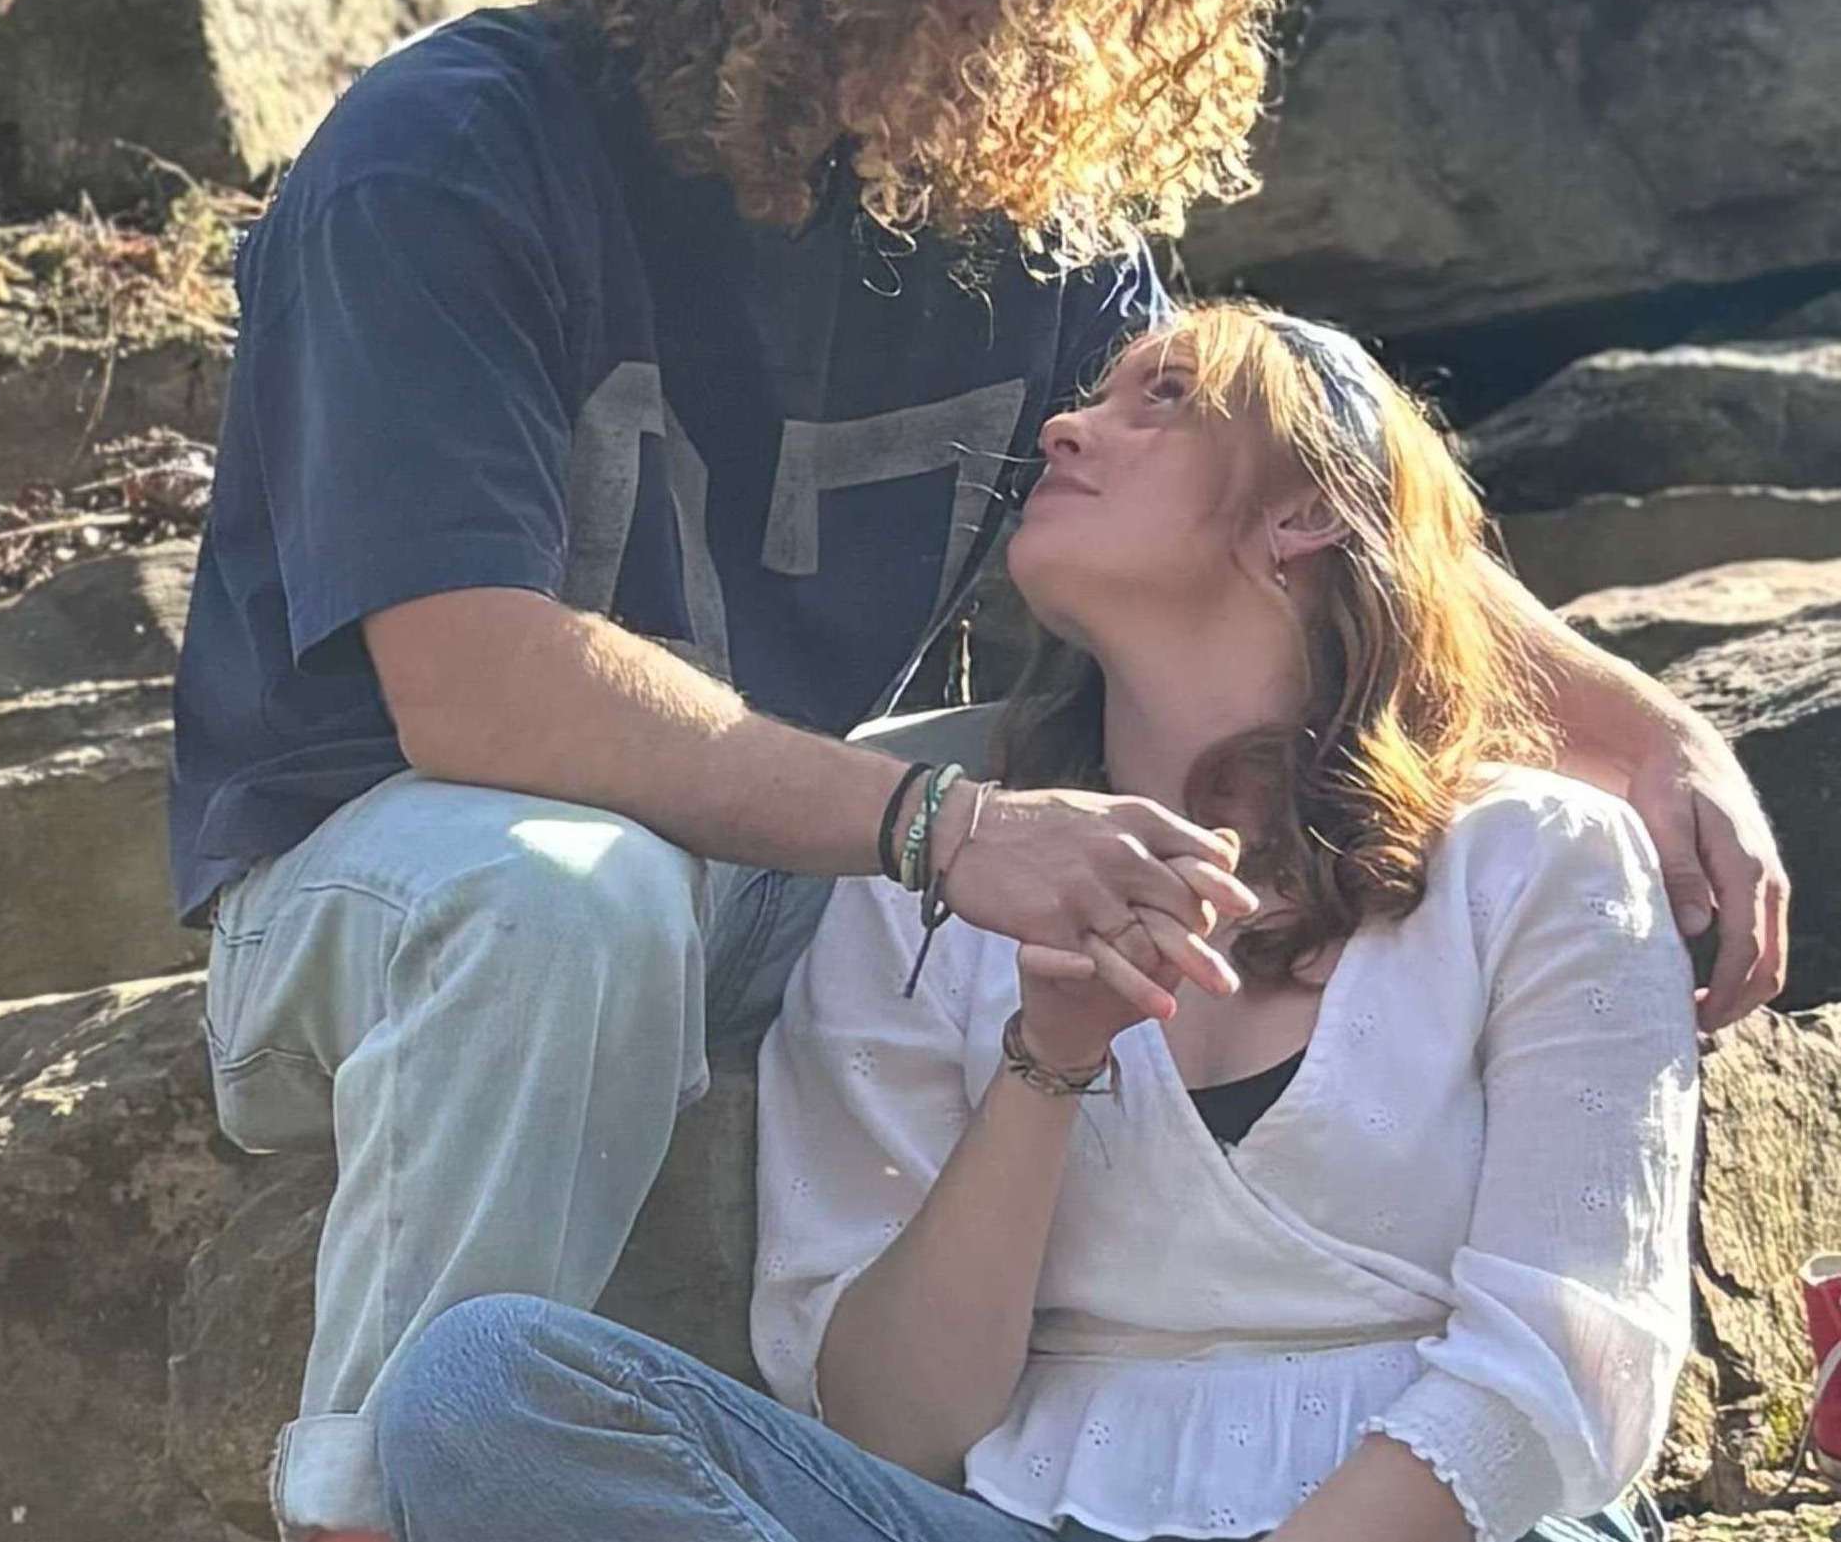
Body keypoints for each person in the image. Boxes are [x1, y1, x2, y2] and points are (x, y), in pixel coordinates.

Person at [167, 0, 1781, 1542]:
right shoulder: (450, 160)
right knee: (565, 926)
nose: (1051, 36)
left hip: (763, 860)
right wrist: (941, 851)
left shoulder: (998, 209)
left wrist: (1642, 732)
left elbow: (1304, 509)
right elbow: (474, 685)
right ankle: (358, 1505)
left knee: (1146, 728)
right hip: (412, 874)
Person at [373, 302, 1699, 1542]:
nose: (1065, 428)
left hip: (1447, 1521)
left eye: (1160, 402)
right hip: (1019, 1512)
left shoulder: (1536, 856)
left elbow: (1564, 1365)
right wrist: (1045, 1062)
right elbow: (893, 1425)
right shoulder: (923, 887)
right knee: (478, 1385)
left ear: (1302, 512)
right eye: (1085, 402)